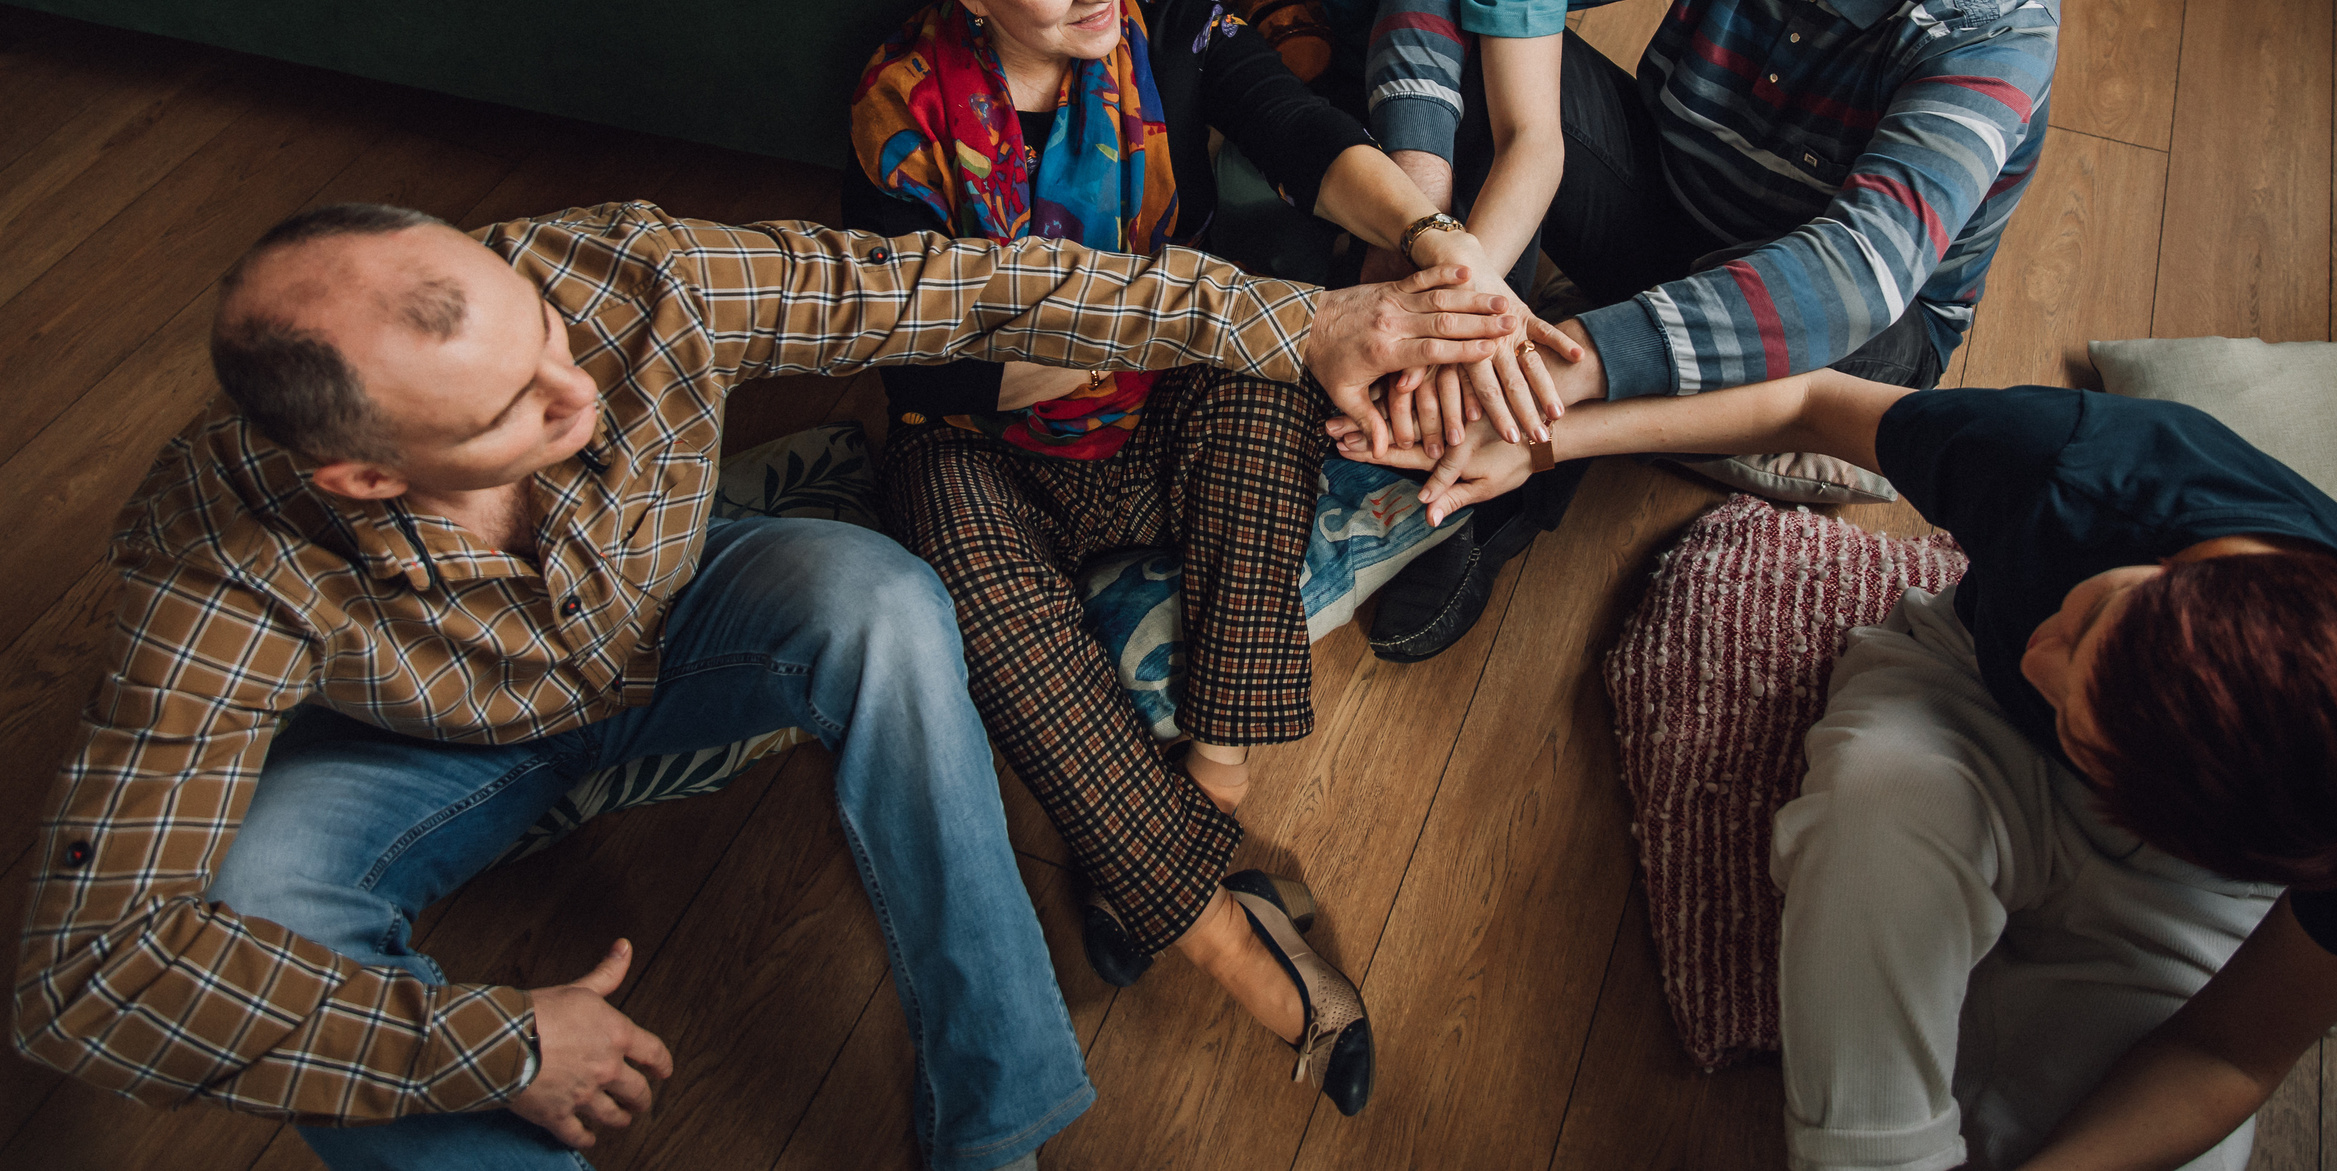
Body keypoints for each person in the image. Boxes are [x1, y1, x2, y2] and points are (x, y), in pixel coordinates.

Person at [12, 199, 1528, 1170]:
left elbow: (959, 290)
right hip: (433, 747)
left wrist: (1299, 316)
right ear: (359, 471)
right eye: (520, 407)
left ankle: (997, 1125)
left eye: (549, 333)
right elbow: (86, 980)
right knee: (258, 895)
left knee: (870, 589)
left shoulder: (618, 283)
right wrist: (498, 1043)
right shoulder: (213, 566)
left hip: (682, 633)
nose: (581, 391)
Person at [842, 0, 1582, 1119]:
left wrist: (1431, 239)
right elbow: (940, 365)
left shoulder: (1169, 31)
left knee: (1259, 360)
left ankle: (1196, 797)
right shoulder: (896, 122)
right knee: (938, 526)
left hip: (1165, 405)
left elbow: (1313, 144)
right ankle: (1223, 935)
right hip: (993, 450)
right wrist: (1195, 311)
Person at [1355, 368, 2337, 1171]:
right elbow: (1810, 403)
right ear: (2182, 568)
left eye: (2083, 717)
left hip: (2176, 877)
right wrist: (1546, 437)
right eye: (2094, 623)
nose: (2045, 652)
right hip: (1962, 715)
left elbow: (2226, 1051)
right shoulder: (2075, 472)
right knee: (1877, 812)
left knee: (2166, 1146)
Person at [1360, 0, 2063, 621]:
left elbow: (1855, 275)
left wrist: (1567, 359)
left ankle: (1512, 437)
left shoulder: (1994, 25)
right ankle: (1482, 354)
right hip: (1676, 204)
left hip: (1855, 326)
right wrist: (1425, 228)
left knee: (1861, 313)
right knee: (1501, 26)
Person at [1187, 0, 1583, 660]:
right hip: (1324, 38)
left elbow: (1533, 140)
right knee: (1241, 251)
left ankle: (1481, 491)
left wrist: (1455, 286)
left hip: (1449, 86)